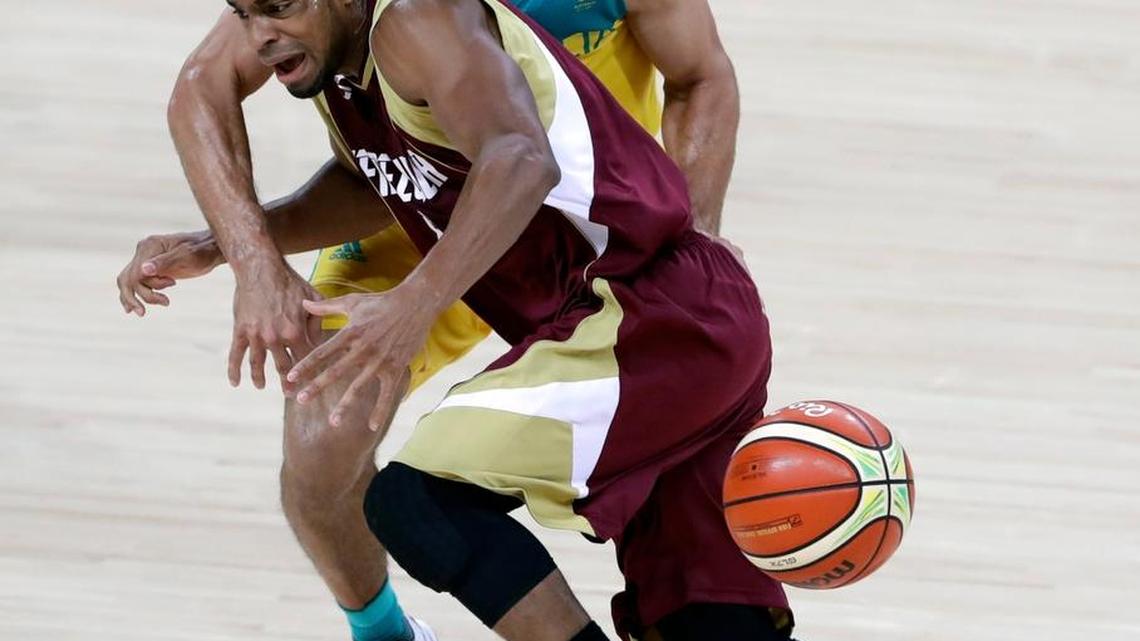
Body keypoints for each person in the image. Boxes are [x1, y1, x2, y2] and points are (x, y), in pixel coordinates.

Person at [114, 0, 783, 640]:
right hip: (642, 314)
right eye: (243, 13)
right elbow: (379, 184)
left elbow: (522, 158)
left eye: (278, 8)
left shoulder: (413, 19)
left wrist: (412, 306)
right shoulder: (339, 64)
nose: (256, 35)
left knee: (418, 502)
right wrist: (224, 246)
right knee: (714, 622)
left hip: (646, 310)